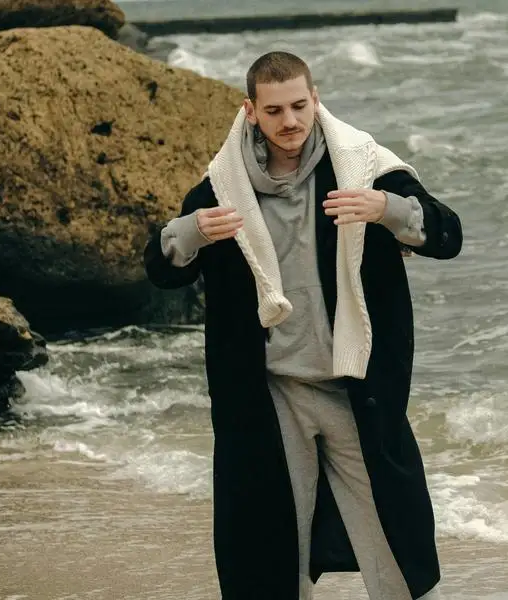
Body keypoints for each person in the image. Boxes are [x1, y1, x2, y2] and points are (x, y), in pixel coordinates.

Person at [143, 51, 462, 600]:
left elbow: (447, 236)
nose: (289, 121)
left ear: (315, 99)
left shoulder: (363, 168)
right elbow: (161, 269)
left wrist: (386, 208)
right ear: (251, 112)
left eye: (298, 105)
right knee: (270, 549)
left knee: (396, 542)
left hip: (355, 387)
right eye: (274, 111)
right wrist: (191, 231)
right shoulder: (223, 188)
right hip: (270, 395)